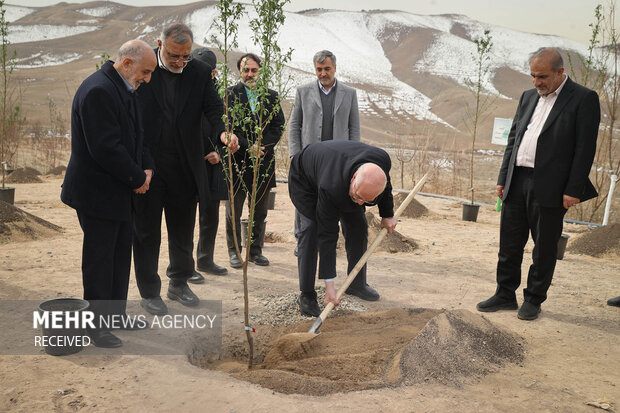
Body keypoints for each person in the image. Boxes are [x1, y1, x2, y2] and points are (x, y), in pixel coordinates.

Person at [477, 47, 600, 321]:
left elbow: (585, 149)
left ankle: (533, 299)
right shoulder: (528, 96)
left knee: (544, 246)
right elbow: (514, 139)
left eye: (542, 76)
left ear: (560, 72)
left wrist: (573, 188)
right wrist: (503, 178)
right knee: (509, 243)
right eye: (532, 76)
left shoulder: (583, 99)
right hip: (517, 178)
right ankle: (504, 294)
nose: (536, 82)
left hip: (553, 186)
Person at [133, 23, 239, 316]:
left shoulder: (199, 73)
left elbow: (214, 110)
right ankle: (150, 292)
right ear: (160, 45)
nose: (180, 62)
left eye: (185, 56)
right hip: (149, 167)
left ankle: (179, 282)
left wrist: (223, 134)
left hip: (184, 166)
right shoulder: (146, 70)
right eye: (174, 56)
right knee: (146, 232)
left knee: (182, 229)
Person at [61, 39, 157, 347]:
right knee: (100, 260)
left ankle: (114, 316)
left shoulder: (125, 88)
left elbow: (137, 136)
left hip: (120, 189)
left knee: (119, 256)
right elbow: (105, 148)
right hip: (97, 192)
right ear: (127, 63)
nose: (148, 79)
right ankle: (95, 326)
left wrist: (147, 168)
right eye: (145, 71)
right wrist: (136, 178)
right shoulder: (98, 90)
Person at [288, 140, 397, 317]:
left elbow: (385, 186)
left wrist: (387, 214)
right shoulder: (332, 186)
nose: (361, 203)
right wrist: (329, 286)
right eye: (359, 196)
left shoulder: (381, 161)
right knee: (312, 230)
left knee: (359, 225)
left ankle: (356, 283)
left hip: (338, 172)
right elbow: (328, 235)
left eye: (366, 201)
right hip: (305, 179)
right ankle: (307, 295)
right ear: (354, 179)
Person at [288, 50, 360, 257]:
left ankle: (327, 240)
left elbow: (354, 128)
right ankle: (301, 240)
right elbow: (294, 126)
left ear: (334, 68)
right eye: (319, 69)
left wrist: (354, 159)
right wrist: (295, 156)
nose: (323, 73)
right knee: (305, 199)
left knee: (334, 199)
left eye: (327, 69)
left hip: (339, 162)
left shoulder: (349, 93)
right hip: (308, 160)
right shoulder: (303, 91)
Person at [225, 53, 285, 268]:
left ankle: (255, 251)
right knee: (235, 208)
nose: (249, 74)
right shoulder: (230, 94)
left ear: (260, 71)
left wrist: (263, 147)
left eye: (253, 70)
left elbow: (278, 126)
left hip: (263, 161)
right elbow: (228, 126)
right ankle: (235, 251)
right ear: (239, 71)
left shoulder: (271, 96)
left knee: (259, 210)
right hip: (238, 161)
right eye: (245, 70)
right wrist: (246, 146)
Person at [187, 47, 228, 282]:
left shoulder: (219, 98)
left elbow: (228, 132)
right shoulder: (184, 95)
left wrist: (220, 153)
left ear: (212, 74)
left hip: (213, 167)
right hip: (189, 166)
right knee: (185, 218)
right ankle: (185, 266)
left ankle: (205, 259)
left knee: (210, 215)